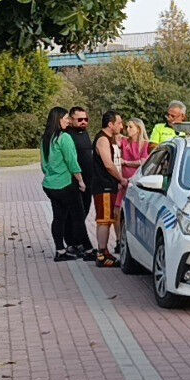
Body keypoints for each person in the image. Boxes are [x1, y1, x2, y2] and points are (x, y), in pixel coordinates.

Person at [39, 107, 88, 261]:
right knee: (78, 217)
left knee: (58, 217)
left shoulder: (46, 138)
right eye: (66, 118)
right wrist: (80, 181)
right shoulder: (64, 137)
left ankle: (60, 250)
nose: (68, 120)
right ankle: (88, 249)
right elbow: (72, 162)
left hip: (50, 185)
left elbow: (44, 165)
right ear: (58, 119)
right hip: (66, 184)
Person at [90, 111, 126, 267]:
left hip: (108, 185)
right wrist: (121, 179)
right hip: (103, 185)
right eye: (119, 123)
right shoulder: (102, 140)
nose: (121, 126)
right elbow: (108, 164)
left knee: (107, 219)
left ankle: (104, 252)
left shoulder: (109, 139)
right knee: (104, 221)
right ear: (110, 124)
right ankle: (102, 254)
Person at [65, 106, 100, 259]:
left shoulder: (84, 134)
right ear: (71, 120)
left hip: (89, 181)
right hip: (75, 181)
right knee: (74, 214)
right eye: (80, 120)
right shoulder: (67, 136)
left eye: (86, 119)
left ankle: (77, 242)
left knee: (84, 212)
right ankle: (74, 244)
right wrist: (77, 179)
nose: (84, 122)